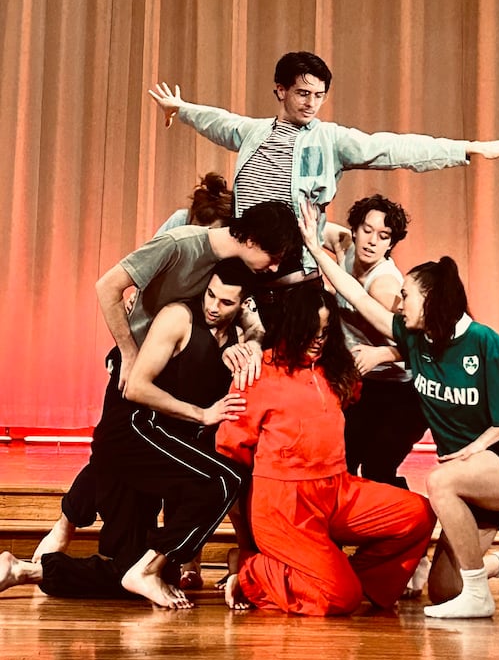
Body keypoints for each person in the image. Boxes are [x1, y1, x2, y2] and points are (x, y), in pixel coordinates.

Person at [298, 203, 499, 620]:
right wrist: (312, 244)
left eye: (406, 295)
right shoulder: (417, 340)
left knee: (439, 481)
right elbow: (356, 295)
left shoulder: (483, 341)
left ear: (429, 300)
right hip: (467, 471)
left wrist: (474, 451)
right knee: (443, 589)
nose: (398, 302)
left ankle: (478, 598)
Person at [32, 201, 301, 563]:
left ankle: (144, 558)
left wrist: (249, 343)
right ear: (251, 240)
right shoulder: (179, 245)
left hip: (174, 376)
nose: (274, 266)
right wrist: (127, 352)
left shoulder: (231, 269)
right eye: (273, 256)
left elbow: (249, 317)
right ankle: (66, 525)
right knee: (111, 453)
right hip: (138, 369)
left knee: (135, 501)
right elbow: (108, 286)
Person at [148, 50, 499, 282]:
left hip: (291, 269)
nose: (311, 103)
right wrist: (179, 110)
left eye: (319, 95)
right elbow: (215, 119)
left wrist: (470, 149)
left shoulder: (330, 139)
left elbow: (393, 148)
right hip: (240, 259)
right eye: (302, 93)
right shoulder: (253, 131)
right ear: (280, 90)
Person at [1, 260, 254, 609]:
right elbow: (137, 389)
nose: (213, 306)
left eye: (226, 302)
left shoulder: (239, 336)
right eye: (210, 295)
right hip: (140, 448)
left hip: (164, 458)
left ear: (243, 303)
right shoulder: (180, 317)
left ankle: (26, 572)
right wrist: (202, 414)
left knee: (133, 574)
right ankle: (133, 561)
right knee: (224, 481)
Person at [215, 282, 436, 616]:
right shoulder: (258, 373)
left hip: (337, 490)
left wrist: (388, 353)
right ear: (292, 326)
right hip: (284, 507)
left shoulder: (333, 368)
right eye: (311, 331)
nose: (319, 340)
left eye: (326, 331)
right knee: (341, 599)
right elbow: (232, 449)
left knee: (418, 514)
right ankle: (251, 574)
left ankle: (348, 579)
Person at [323, 195, 427, 487]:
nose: (372, 241)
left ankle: (404, 526)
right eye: (367, 230)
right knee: (340, 463)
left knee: (376, 470)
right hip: (360, 386)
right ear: (354, 229)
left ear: (391, 243)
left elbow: (425, 344)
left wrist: (384, 353)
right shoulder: (344, 246)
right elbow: (311, 227)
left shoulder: (386, 287)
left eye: (383, 236)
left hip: (400, 392)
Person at [154, 171, 232, 233]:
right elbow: (153, 251)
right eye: (197, 228)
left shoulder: (229, 230)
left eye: (209, 232)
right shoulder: (181, 219)